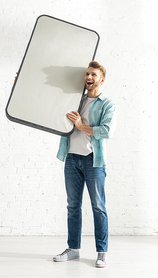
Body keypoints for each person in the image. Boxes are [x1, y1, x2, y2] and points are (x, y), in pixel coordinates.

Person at [53, 61, 116, 268]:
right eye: (87, 74)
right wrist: (23, 83)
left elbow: (106, 131)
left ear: (101, 80)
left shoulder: (107, 104)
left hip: (93, 161)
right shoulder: (75, 100)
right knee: (73, 206)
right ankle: (73, 249)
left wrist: (81, 125)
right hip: (71, 157)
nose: (89, 78)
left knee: (98, 207)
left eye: (93, 75)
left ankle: (102, 252)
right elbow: (49, 102)